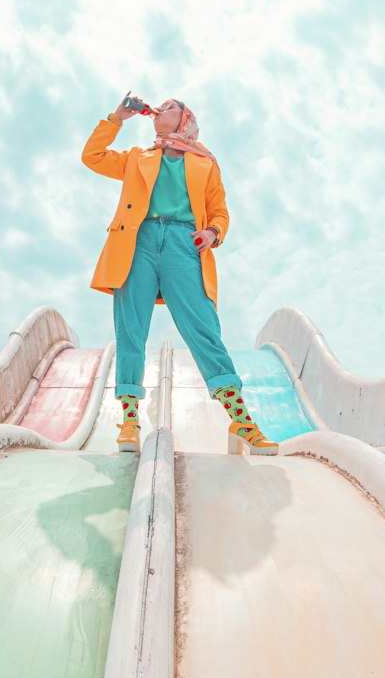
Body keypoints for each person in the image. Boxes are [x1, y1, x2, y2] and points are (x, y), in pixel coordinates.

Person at [82, 95, 278, 456]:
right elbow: (92, 157)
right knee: (131, 332)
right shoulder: (137, 158)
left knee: (204, 329)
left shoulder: (204, 163)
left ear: (185, 118)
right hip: (136, 243)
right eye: (158, 107)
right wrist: (118, 117)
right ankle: (129, 422)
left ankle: (241, 418)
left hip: (184, 244)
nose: (159, 109)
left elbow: (220, 211)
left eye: (169, 106)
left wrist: (213, 233)